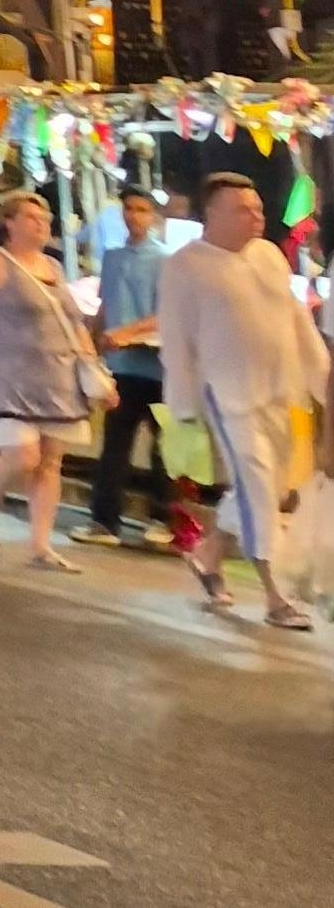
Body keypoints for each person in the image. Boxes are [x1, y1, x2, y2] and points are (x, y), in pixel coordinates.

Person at [159, 169, 329, 629]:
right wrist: (183, 408)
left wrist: (323, 381)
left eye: (257, 209)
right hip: (228, 396)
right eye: (242, 210)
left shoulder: (270, 256)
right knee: (257, 486)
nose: (255, 217)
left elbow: (297, 321)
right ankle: (277, 597)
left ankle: (208, 554)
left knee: (271, 487)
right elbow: (176, 342)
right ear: (212, 214)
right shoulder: (184, 266)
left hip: (281, 392)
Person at [0, 190, 104, 572]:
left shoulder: (52, 267)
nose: (42, 224)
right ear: (9, 222)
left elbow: (73, 323)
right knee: (24, 454)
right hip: (10, 379)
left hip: (57, 380)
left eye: (45, 218)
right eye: (32, 217)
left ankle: (41, 545)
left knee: (50, 462)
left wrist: (96, 371)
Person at [83, 185, 169, 546]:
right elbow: (106, 306)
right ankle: (105, 522)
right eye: (129, 209)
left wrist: (125, 333)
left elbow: (166, 314)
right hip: (121, 367)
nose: (134, 216)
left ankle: (164, 519)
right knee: (115, 445)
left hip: (157, 366)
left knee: (164, 447)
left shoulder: (164, 260)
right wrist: (92, 343)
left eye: (141, 210)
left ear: (153, 217)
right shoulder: (113, 257)